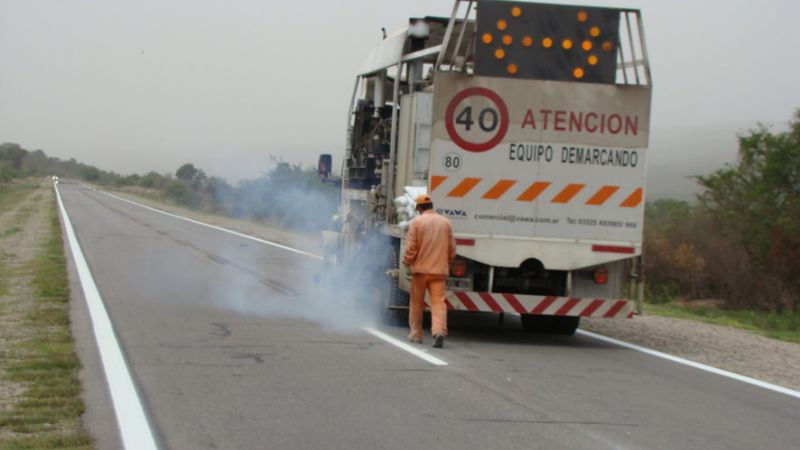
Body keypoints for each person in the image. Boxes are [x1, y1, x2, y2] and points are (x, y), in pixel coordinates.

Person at [402, 194, 456, 348]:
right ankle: (438, 331)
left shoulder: (416, 223)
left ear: (419, 208)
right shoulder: (446, 222)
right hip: (438, 272)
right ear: (432, 206)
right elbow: (452, 249)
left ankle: (416, 334)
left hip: (420, 271)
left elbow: (412, 247)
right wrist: (449, 263)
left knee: (417, 303)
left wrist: (407, 262)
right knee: (438, 303)